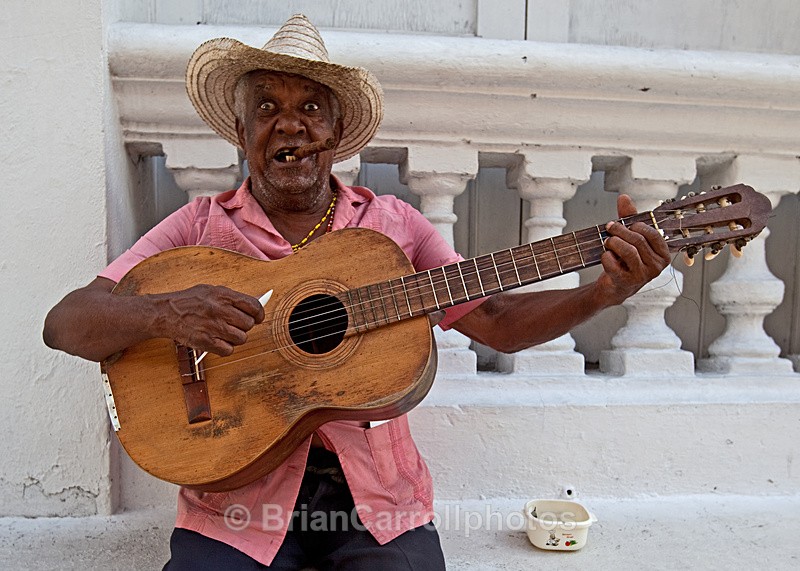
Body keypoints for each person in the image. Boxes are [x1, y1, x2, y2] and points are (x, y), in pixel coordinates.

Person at [43, 14, 670, 571]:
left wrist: (601, 295)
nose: (289, 124)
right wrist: (166, 312)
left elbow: (498, 320)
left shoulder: (393, 229)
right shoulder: (197, 228)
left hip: (377, 498)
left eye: (312, 108)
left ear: (338, 134)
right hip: (233, 499)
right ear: (240, 130)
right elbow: (66, 322)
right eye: (266, 109)